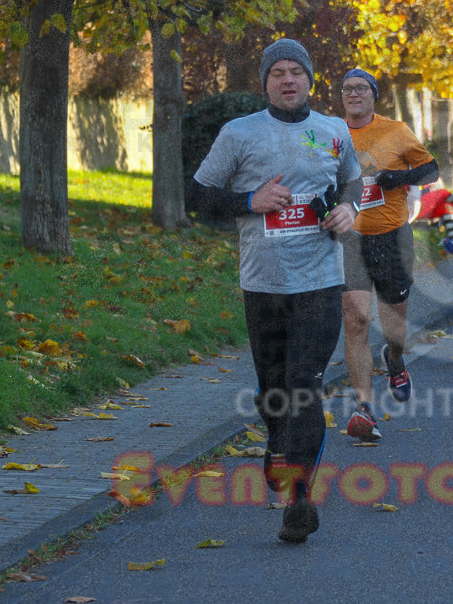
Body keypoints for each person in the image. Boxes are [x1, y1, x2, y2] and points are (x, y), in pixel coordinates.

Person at [188, 38, 362, 544]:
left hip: (321, 280)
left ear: (311, 80)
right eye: (278, 73)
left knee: (304, 383)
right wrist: (251, 199)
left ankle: (300, 498)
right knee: (273, 388)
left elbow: (354, 184)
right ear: (265, 82)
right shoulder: (239, 134)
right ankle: (276, 444)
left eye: (297, 72)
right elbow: (197, 194)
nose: (288, 80)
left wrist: (351, 211)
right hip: (263, 283)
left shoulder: (332, 131)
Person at [340, 68, 439, 442]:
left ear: (373, 94)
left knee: (394, 327)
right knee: (357, 321)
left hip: (392, 235)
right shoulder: (334, 134)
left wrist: (398, 179)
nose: (353, 94)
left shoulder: (396, 131)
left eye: (361, 88)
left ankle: (394, 359)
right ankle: (364, 408)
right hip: (349, 238)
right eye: (347, 88)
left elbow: (431, 168)